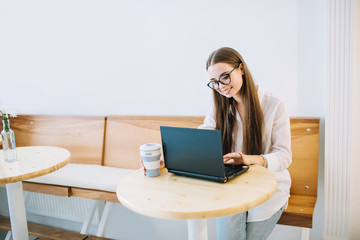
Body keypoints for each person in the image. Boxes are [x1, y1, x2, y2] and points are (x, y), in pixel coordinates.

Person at [198, 47, 292, 240]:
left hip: (269, 187)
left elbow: (284, 156)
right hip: (232, 186)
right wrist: (169, 154)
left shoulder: (274, 104)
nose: (221, 86)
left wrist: (251, 160)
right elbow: (203, 137)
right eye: (214, 82)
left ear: (241, 68)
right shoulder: (219, 105)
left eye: (225, 77)